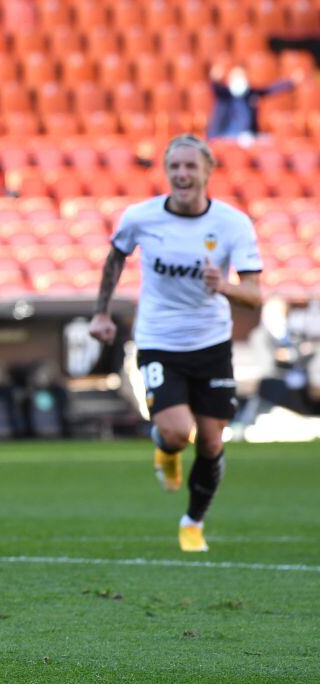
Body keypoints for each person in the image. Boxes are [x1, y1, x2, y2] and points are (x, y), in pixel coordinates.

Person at [89, 134, 263, 553]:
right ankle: (164, 449)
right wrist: (101, 312)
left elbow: (255, 295)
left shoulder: (233, 224)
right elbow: (116, 257)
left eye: (190, 166)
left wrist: (223, 285)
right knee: (176, 432)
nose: (182, 174)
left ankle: (193, 522)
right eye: (175, 167)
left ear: (208, 171)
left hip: (211, 343)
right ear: (166, 171)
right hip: (159, 340)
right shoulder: (141, 217)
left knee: (211, 441)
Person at [207, 65, 298, 144]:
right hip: (228, 135)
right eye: (236, 76)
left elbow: (269, 90)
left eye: (241, 76)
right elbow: (215, 87)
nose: (239, 78)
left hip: (248, 135)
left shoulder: (250, 93)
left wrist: (290, 82)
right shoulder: (225, 94)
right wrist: (215, 77)